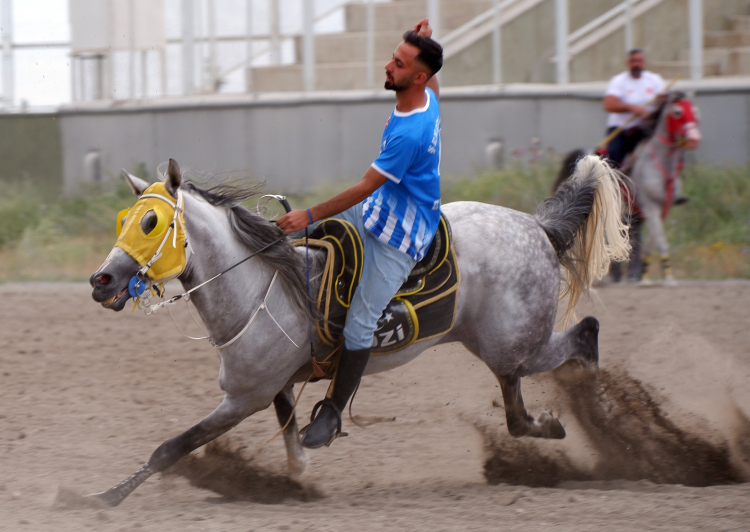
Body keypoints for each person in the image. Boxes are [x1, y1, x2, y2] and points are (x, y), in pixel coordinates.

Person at [276, 19, 443, 449]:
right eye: (393, 57)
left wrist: (308, 214)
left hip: (401, 235)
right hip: (379, 208)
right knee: (304, 237)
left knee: (360, 325)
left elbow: (366, 186)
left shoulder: (410, 132)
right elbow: (434, 82)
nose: (389, 66)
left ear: (417, 77)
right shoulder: (425, 97)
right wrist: (424, 41)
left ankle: (331, 413)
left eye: (399, 63)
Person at [603, 49, 665, 168]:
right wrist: (631, 108)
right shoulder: (619, 81)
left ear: (644, 62)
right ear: (628, 63)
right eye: (633, 61)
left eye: (639, 61)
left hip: (646, 128)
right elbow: (608, 104)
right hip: (621, 128)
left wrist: (652, 112)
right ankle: (613, 182)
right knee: (614, 156)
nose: (636, 64)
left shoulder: (654, 80)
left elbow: (664, 101)